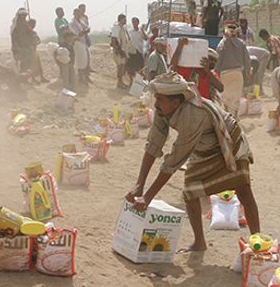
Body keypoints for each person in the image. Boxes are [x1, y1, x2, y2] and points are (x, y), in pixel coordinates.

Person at [126, 72, 260, 252]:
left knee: (243, 189)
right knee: (190, 190)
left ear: (176, 103)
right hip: (205, 146)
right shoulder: (162, 109)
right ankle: (199, 243)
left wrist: (147, 197)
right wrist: (139, 185)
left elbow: (173, 161)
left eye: (161, 99)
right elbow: (153, 145)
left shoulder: (192, 116)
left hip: (228, 142)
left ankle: (257, 241)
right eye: (156, 98)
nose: (156, 104)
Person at [215, 20, 251, 116]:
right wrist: (248, 73)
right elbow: (247, 60)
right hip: (238, 74)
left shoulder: (222, 44)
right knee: (235, 98)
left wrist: (215, 74)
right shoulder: (241, 43)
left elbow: (217, 61)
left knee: (226, 98)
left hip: (225, 74)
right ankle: (234, 118)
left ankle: (227, 117)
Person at [110, 14, 132, 89]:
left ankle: (121, 82)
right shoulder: (116, 27)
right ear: (120, 19)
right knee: (120, 66)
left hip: (124, 50)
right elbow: (114, 39)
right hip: (119, 50)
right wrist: (118, 50)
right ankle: (119, 83)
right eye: (124, 19)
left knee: (122, 66)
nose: (125, 21)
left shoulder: (123, 28)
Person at [70, 8, 91, 84]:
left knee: (84, 60)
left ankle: (84, 76)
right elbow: (76, 34)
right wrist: (85, 31)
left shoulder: (81, 21)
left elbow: (87, 27)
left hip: (83, 42)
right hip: (78, 42)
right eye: (77, 13)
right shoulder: (72, 23)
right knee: (80, 60)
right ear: (74, 14)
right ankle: (80, 77)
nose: (79, 15)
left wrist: (86, 30)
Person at [28, 19, 48, 83]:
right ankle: (33, 79)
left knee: (38, 64)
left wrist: (35, 42)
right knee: (31, 65)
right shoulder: (27, 32)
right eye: (32, 24)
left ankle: (42, 77)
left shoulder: (34, 32)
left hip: (34, 49)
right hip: (30, 50)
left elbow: (39, 40)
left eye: (34, 24)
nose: (33, 25)